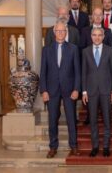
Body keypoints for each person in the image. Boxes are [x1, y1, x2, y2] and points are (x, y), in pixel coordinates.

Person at [39, 18, 81, 158]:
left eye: (63, 31)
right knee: (52, 119)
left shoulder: (73, 48)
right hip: (51, 90)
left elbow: (77, 71)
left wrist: (76, 89)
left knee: (71, 119)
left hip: (70, 90)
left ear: (66, 32)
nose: (61, 33)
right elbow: (43, 71)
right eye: (58, 30)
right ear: (54, 32)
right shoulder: (46, 50)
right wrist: (44, 90)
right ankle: (53, 147)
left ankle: (73, 146)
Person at [82, 27, 112, 157]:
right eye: (94, 35)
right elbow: (84, 73)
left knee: (107, 120)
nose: (97, 37)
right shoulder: (85, 51)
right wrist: (84, 91)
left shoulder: (109, 51)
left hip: (106, 90)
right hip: (91, 91)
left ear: (103, 36)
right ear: (91, 36)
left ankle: (106, 147)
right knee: (93, 120)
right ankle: (95, 146)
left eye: (99, 35)